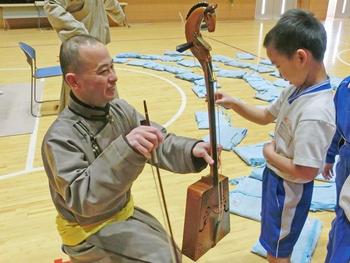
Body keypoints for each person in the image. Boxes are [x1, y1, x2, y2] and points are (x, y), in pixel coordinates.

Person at [41, 34, 216, 262]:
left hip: (121, 213)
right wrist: (126, 149)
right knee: (164, 259)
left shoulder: (118, 109)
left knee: (171, 253)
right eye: (103, 72)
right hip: (88, 231)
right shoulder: (59, 137)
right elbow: (84, 201)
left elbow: (158, 139)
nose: (114, 77)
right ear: (74, 82)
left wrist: (192, 149)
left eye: (112, 67)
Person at [215, 9, 335, 263]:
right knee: (273, 242)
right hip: (277, 178)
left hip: (290, 189)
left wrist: (267, 153)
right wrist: (234, 103)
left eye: (278, 65)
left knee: (278, 252)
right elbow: (265, 116)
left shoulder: (315, 113)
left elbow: (306, 172)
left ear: (301, 57)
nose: (278, 73)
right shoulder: (296, 88)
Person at [44, 0, 127, 112]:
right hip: (80, 51)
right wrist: (79, 33)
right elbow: (51, 5)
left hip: (97, 48)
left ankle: (113, 123)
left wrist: (120, 15)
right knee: (78, 101)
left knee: (108, 95)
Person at [322, 77, 350, 263]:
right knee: (342, 212)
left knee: (346, 222)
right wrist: (329, 156)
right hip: (345, 160)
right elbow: (335, 127)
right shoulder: (344, 87)